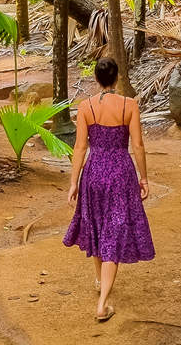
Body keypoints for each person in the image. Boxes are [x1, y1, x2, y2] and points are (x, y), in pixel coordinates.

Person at [63, 57, 154, 321]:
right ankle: (102, 304)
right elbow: (137, 145)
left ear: (97, 79)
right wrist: (144, 178)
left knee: (98, 226)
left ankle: (99, 280)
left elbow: (80, 147)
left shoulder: (86, 107)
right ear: (116, 79)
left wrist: (73, 182)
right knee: (112, 231)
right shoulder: (129, 105)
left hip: (93, 173)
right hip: (120, 173)